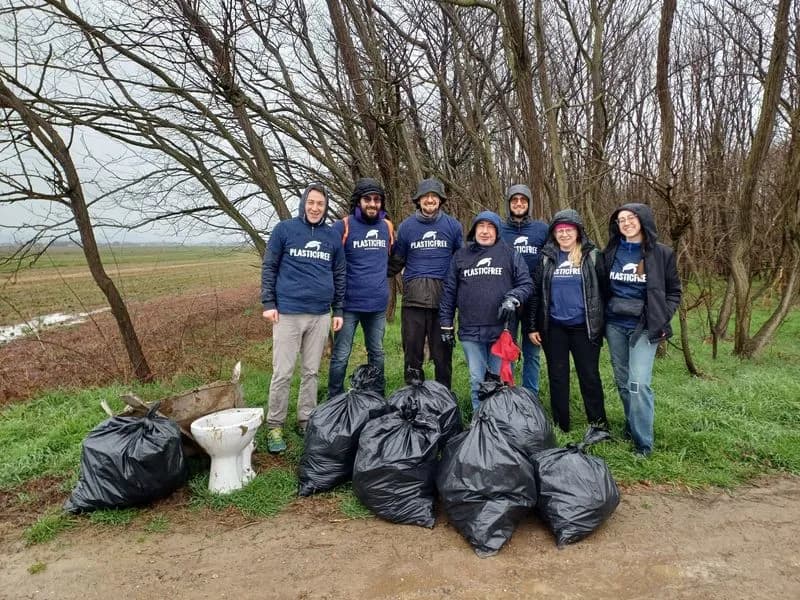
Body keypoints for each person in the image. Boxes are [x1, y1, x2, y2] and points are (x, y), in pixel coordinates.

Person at [260, 183, 345, 454]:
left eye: (320, 203)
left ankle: (305, 418)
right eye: (311, 202)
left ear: (325, 206)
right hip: (287, 313)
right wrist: (268, 303)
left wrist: (338, 310)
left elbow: (340, 273)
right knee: (283, 372)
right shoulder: (284, 230)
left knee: (311, 371)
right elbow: (270, 266)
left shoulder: (332, 236)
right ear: (303, 203)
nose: (315, 207)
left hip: (320, 315)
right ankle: (275, 424)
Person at [603, 203, 681, 457]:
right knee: (623, 382)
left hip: (645, 328)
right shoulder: (612, 251)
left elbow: (674, 292)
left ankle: (643, 445)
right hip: (615, 324)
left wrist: (660, 316)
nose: (625, 223)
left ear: (643, 220)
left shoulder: (661, 254)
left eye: (631, 218)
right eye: (621, 219)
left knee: (638, 384)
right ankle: (631, 426)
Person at [439, 211, 532, 412]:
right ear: (474, 230)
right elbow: (448, 292)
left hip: (501, 331)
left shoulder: (510, 254)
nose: (485, 231)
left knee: (499, 381)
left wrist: (513, 298)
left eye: (490, 227)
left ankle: (499, 423)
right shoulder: (461, 256)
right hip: (470, 330)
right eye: (481, 226)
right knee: (476, 380)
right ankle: (479, 423)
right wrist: (446, 325)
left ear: (497, 231)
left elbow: (526, 283)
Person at [525, 209, 608, 432]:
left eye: (568, 230)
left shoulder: (592, 257)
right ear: (553, 233)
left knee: (589, 376)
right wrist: (533, 326)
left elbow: (604, 293)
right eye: (559, 230)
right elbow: (535, 294)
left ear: (578, 232)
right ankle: (562, 425)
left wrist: (604, 326)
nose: (564, 234)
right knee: (557, 377)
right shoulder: (546, 258)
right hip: (554, 328)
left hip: (585, 328)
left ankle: (599, 425)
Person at [390, 178, 462, 387]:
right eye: (425, 196)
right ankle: (413, 402)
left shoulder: (453, 226)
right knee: (412, 355)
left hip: (444, 302)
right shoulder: (406, 227)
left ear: (440, 200)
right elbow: (397, 260)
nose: (430, 200)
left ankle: (443, 401)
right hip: (413, 300)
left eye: (434, 196)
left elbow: (461, 261)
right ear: (418, 200)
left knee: (443, 357)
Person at [328, 178, 394, 397]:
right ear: (358, 201)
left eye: (377, 200)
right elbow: (330, 261)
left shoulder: (387, 226)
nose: (373, 204)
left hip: (376, 305)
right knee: (341, 354)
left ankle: (377, 395)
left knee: (377, 353)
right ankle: (334, 398)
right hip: (348, 305)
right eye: (367, 199)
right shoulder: (343, 226)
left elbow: (393, 258)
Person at [498, 184, 548, 395]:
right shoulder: (499, 229)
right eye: (514, 200)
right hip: (506, 298)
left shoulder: (541, 229)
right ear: (509, 204)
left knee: (532, 352)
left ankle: (530, 396)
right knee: (505, 350)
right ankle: (504, 395)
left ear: (529, 204)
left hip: (534, 299)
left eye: (523, 201)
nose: (519, 204)